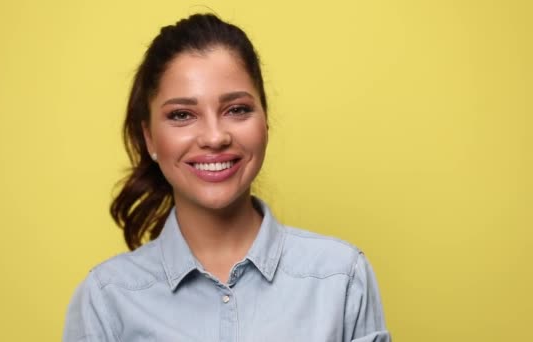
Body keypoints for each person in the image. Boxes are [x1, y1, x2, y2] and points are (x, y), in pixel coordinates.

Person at [63, 13, 390, 342]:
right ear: (149, 139)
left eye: (237, 109)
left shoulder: (341, 276)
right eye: (182, 115)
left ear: (265, 122)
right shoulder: (106, 298)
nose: (215, 137)